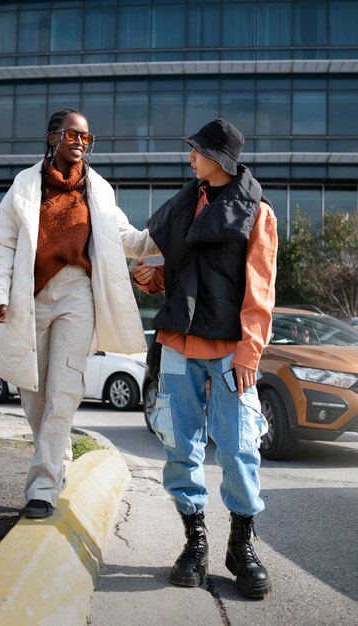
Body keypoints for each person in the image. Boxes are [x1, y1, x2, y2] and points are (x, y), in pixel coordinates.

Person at [0, 108, 158, 519]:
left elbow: (125, 237)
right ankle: (56, 455)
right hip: (31, 294)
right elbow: (3, 244)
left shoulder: (98, 189)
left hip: (78, 293)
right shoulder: (25, 185)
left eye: (86, 137)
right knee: (33, 393)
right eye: (72, 135)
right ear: (52, 138)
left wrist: (168, 231)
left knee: (65, 389)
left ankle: (42, 487)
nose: (80, 142)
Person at [133, 118, 278, 600]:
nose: (189, 156)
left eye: (197, 150)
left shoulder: (257, 213)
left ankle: (242, 544)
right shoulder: (183, 204)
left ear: (220, 160)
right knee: (181, 446)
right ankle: (195, 544)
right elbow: (184, 272)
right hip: (177, 343)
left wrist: (249, 350)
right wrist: (151, 279)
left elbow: (260, 291)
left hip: (230, 350)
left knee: (238, 448)